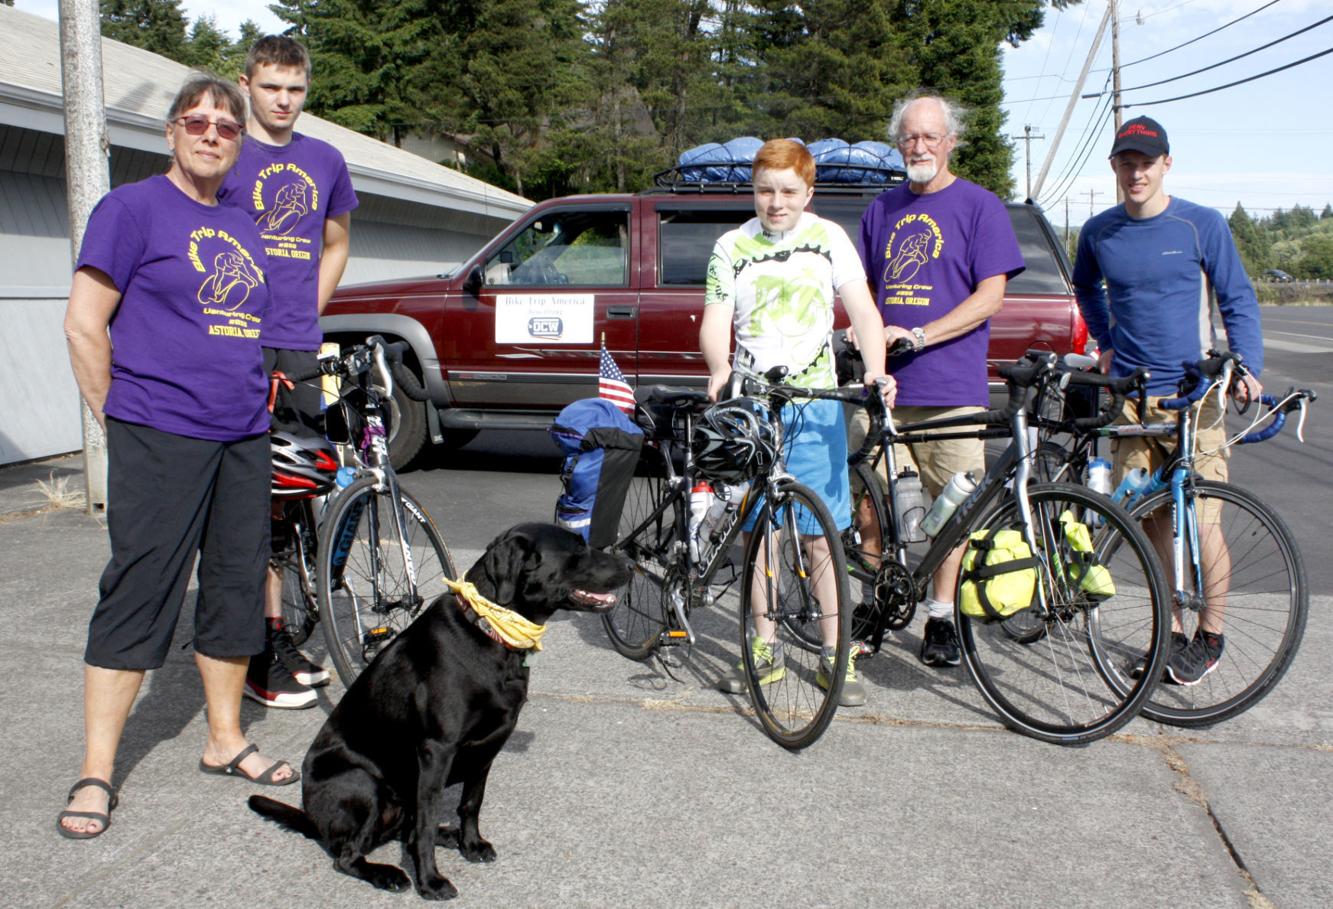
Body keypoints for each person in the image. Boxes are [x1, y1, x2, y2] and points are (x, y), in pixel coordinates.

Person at [58, 75, 297, 840]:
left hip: (241, 435)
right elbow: (83, 325)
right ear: (170, 132)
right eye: (196, 121)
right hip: (158, 430)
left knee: (233, 584)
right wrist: (119, 419)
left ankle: (224, 738)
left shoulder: (247, 222)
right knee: (141, 588)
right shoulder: (130, 209)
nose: (211, 133)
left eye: (226, 126)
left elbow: (254, 327)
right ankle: (98, 768)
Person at [700, 138, 893, 707]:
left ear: (808, 192)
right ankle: (765, 648)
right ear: (753, 191)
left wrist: (877, 372)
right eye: (765, 191)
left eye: (787, 191)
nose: (775, 202)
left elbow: (863, 311)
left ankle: (837, 653)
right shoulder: (730, 246)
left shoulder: (829, 239)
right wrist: (718, 368)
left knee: (823, 534)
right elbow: (717, 319)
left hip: (818, 404)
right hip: (756, 404)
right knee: (762, 534)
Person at [1072, 115, 1264, 686]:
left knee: (1203, 521)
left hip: (1192, 394)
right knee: (1150, 521)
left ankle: (1210, 634)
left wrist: (1245, 366)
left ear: (1166, 166)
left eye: (1146, 163)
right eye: (1126, 163)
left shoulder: (1200, 224)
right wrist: (1103, 341)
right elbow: (1085, 287)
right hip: (1129, 398)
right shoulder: (1099, 231)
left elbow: (1236, 297)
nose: (1136, 173)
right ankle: (1171, 634)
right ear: (1114, 168)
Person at [853, 93, 1026, 669]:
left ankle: (941, 618)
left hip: (951, 391)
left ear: (950, 141)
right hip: (886, 392)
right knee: (872, 509)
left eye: (930, 136)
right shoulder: (881, 210)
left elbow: (991, 296)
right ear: (898, 142)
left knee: (949, 514)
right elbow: (864, 295)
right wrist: (868, 339)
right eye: (909, 137)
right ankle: (876, 606)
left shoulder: (980, 207)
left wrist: (923, 335)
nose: (919, 146)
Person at [219, 35, 359, 709]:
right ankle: (252, 643)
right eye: (271, 86)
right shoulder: (224, 150)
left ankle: (277, 633)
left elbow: (336, 242)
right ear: (246, 83)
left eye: (295, 89)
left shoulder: (324, 160)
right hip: (234, 344)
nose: (283, 100)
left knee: (293, 491)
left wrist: (308, 309)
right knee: (247, 498)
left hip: (296, 347)